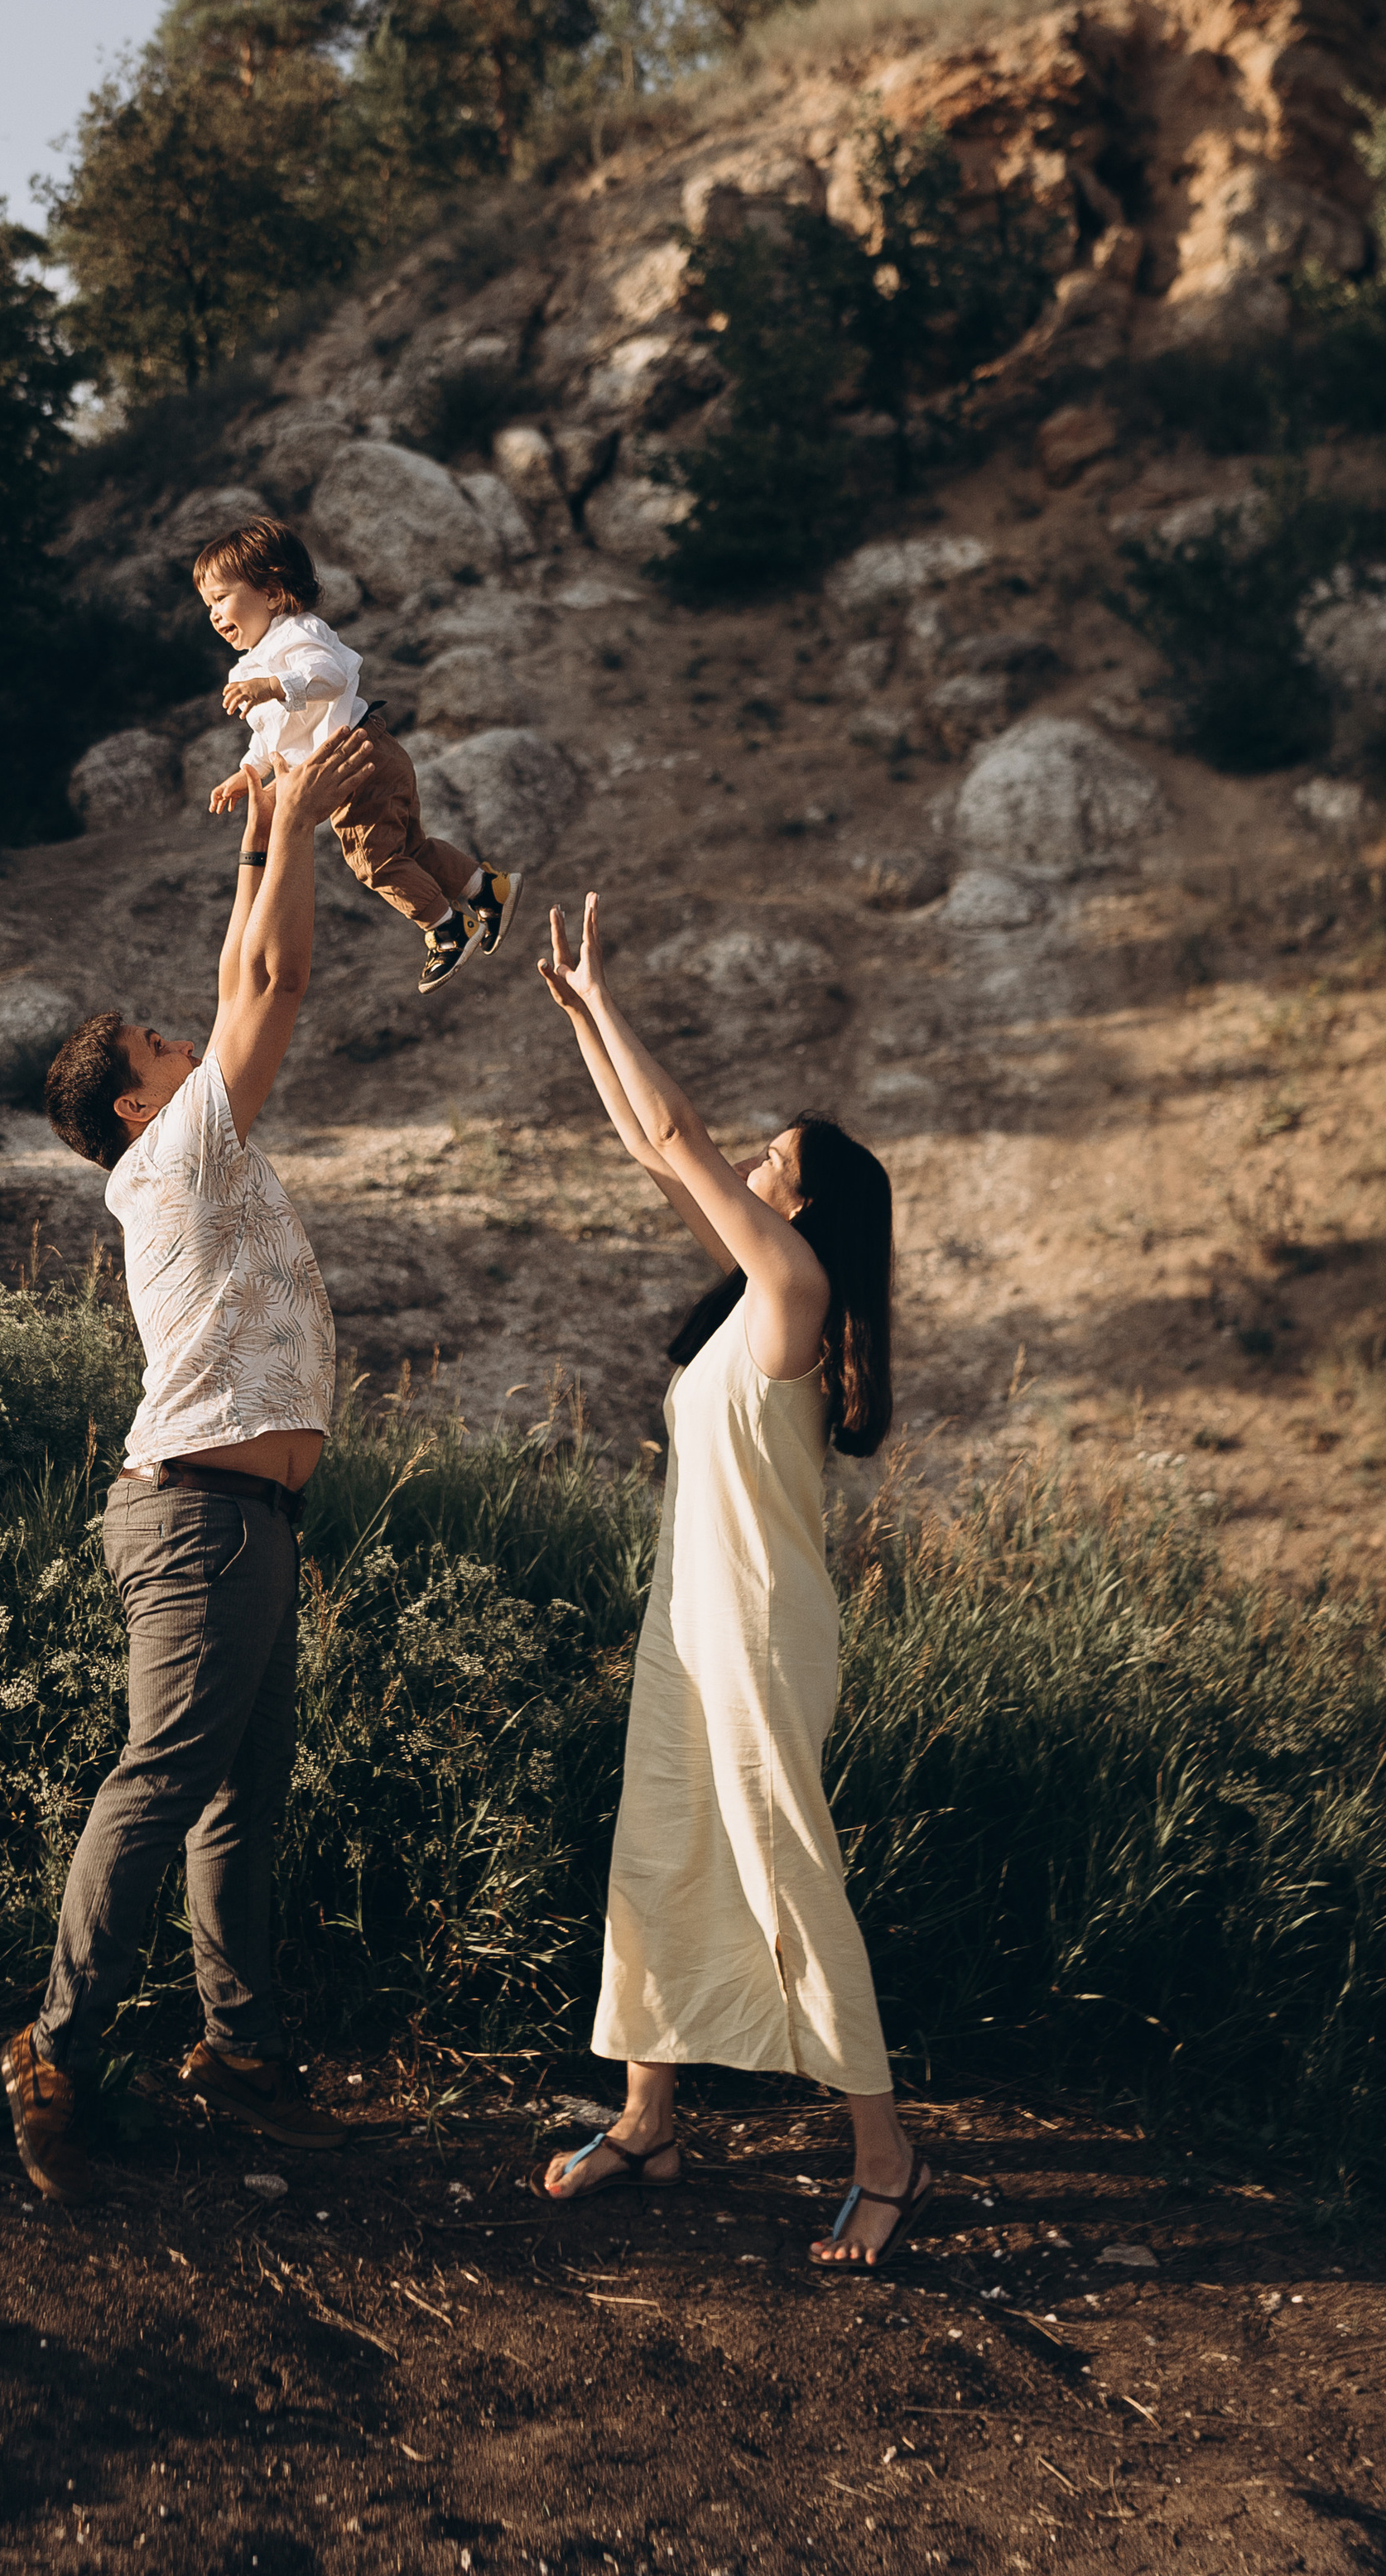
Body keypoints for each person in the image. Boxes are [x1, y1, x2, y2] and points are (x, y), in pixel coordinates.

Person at [0, 726, 374, 2201]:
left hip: (243, 1518)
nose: (196, 1038)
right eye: (169, 1049)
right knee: (164, 1781)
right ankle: (55, 2048)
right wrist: (301, 826)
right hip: (203, 1520)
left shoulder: (181, 1147)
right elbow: (271, 984)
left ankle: (238, 2054)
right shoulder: (170, 1160)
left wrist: (265, 813)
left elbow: (235, 975)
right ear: (140, 1107)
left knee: (240, 1799)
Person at [532, 892, 930, 2269]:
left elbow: (675, 1138)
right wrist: (584, 1018)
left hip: (761, 1629)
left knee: (786, 1875)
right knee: (660, 1845)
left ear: (807, 1203)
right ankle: (650, 2116)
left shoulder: (798, 1294)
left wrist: (611, 995)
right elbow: (658, 1152)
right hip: (692, 1619)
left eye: (774, 1160)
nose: (747, 1168)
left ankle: (887, 2156)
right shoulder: (758, 1295)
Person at [193, 514, 522, 996]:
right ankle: (487, 889)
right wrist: (247, 774)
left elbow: (330, 675)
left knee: (373, 860)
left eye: (221, 598)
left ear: (270, 590)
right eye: (208, 606)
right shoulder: (250, 665)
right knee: (410, 850)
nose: (215, 615)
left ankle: (447, 929)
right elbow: (274, 736)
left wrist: (272, 685)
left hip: (358, 760)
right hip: (369, 756)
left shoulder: (296, 634)